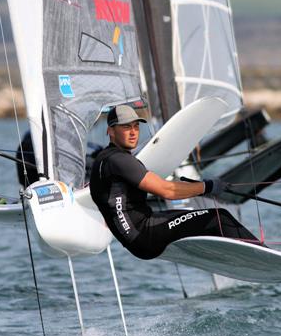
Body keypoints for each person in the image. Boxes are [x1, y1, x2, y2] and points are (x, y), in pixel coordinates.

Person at [89, 104, 260, 260]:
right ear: (110, 131)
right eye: (126, 127)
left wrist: (191, 185)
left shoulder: (104, 160)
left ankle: (236, 257)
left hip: (137, 237)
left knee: (202, 220)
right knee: (218, 217)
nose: (133, 132)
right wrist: (208, 186)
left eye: (136, 126)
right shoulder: (119, 160)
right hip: (145, 235)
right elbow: (167, 191)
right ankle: (260, 254)